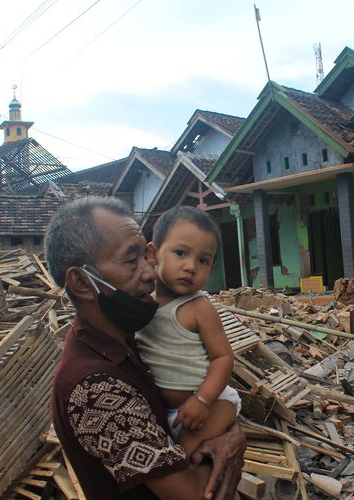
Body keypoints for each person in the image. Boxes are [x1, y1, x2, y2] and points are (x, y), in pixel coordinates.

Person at [45, 196, 245, 500]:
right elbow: (193, 494)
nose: (150, 273)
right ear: (82, 282)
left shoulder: (127, 341)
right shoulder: (93, 387)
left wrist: (228, 429)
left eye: (145, 257)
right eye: (131, 261)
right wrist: (230, 441)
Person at [136, 207, 239, 456]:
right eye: (180, 253)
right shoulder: (140, 304)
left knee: (185, 459)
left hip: (212, 403)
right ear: (153, 254)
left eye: (203, 260)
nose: (191, 266)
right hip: (170, 412)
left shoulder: (198, 307)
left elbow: (223, 357)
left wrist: (202, 400)